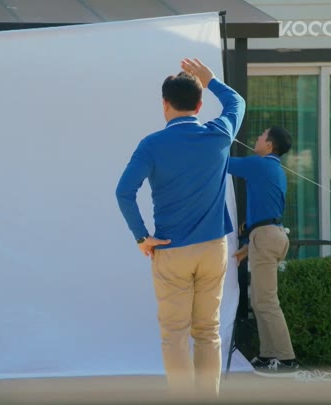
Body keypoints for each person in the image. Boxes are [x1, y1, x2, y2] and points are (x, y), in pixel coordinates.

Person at [115, 58, 245, 398]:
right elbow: (237, 103)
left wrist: (142, 237)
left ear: (164, 104)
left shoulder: (151, 144)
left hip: (171, 249)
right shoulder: (218, 134)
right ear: (199, 105)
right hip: (213, 247)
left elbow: (124, 192)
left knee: (174, 334)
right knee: (208, 331)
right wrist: (211, 80)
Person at [229, 126, 301, 377]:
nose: (256, 137)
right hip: (268, 235)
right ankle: (269, 355)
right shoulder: (273, 169)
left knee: (267, 301)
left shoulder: (259, 164)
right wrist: (249, 245)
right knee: (260, 301)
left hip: (266, 236)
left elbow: (222, 163)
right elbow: (264, 212)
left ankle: (287, 360)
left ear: (269, 145)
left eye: (261, 135)